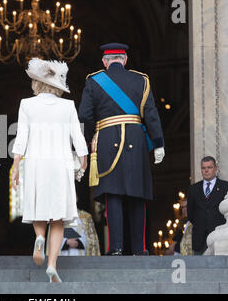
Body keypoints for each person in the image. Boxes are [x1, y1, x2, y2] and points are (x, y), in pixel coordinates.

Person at [79, 43, 165, 256]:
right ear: (125, 60)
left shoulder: (93, 81)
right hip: (136, 140)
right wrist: (159, 143)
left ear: (105, 62)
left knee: (113, 194)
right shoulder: (141, 80)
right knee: (137, 193)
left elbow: (85, 116)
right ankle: (139, 248)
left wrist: (88, 140)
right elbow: (151, 114)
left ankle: (116, 247)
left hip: (106, 140)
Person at [11, 58, 88, 282]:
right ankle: (52, 264)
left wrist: (16, 166)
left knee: (38, 206)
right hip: (60, 163)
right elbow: (78, 136)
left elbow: (21, 138)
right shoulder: (68, 106)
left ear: (36, 83)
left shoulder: (27, 104)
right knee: (58, 218)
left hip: (36, 162)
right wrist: (84, 159)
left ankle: (39, 237)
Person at [187, 156, 228, 255]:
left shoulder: (227, 187)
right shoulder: (193, 189)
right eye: (203, 168)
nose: (206, 170)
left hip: (219, 238)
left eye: (209, 167)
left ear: (215, 168)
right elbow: (190, 214)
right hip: (199, 239)